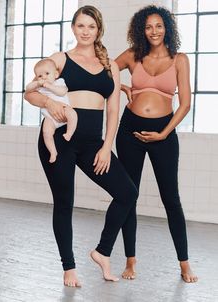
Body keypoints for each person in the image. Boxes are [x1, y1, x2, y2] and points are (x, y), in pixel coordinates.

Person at [24, 5, 138, 287]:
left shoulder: (110, 65)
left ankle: (102, 252)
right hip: (60, 139)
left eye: (91, 26)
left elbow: (113, 111)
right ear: (73, 28)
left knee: (127, 192)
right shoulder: (60, 59)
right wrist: (50, 102)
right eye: (80, 26)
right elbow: (29, 92)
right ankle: (69, 268)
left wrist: (105, 146)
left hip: (91, 144)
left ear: (99, 30)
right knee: (65, 202)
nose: (85, 31)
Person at [115, 5, 198, 283]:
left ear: (167, 29)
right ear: (141, 29)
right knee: (129, 196)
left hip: (163, 133)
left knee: (171, 200)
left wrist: (164, 133)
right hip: (129, 131)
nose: (154, 31)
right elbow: (104, 71)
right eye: (148, 26)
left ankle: (184, 264)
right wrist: (121, 85)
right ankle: (130, 260)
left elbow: (185, 104)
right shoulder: (132, 56)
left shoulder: (180, 59)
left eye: (159, 26)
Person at [26, 58, 78, 163]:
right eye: (40, 76)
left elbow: (62, 92)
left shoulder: (59, 82)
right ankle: (53, 151)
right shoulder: (39, 87)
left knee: (73, 114)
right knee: (46, 132)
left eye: (47, 73)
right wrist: (36, 83)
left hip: (64, 109)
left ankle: (69, 132)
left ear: (56, 74)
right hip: (50, 117)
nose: (43, 77)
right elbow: (27, 89)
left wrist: (49, 86)